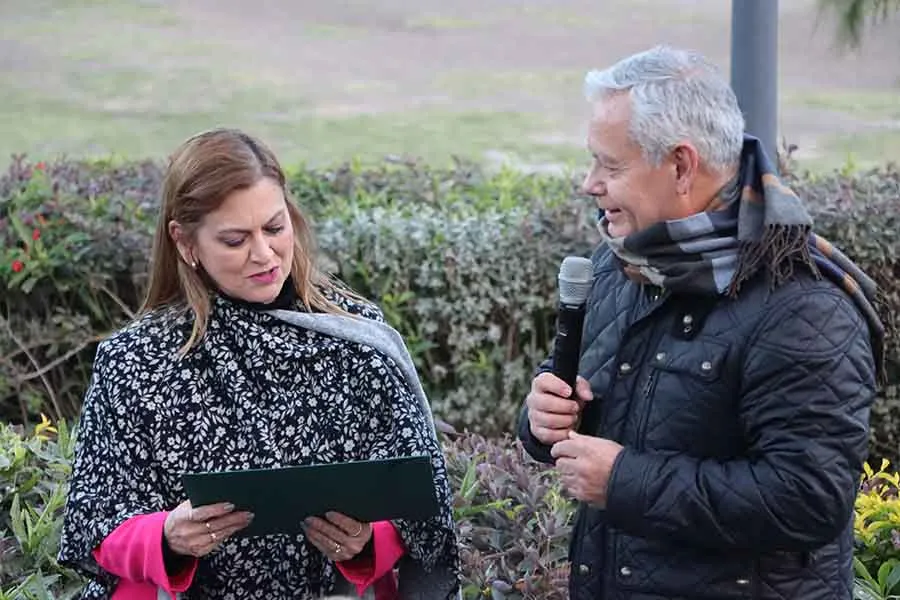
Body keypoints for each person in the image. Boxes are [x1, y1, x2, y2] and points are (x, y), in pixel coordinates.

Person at [517, 45, 884, 600]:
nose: (589, 183)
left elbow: (808, 498)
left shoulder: (804, 305)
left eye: (611, 165)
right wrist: (545, 417)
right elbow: (608, 417)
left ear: (682, 165)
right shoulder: (620, 264)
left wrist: (623, 482)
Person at [59, 128, 460, 600]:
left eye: (274, 227)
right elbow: (95, 521)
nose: (264, 255)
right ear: (185, 244)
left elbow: (421, 511)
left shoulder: (361, 337)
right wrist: (167, 537)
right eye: (234, 240)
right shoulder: (136, 359)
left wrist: (370, 543)